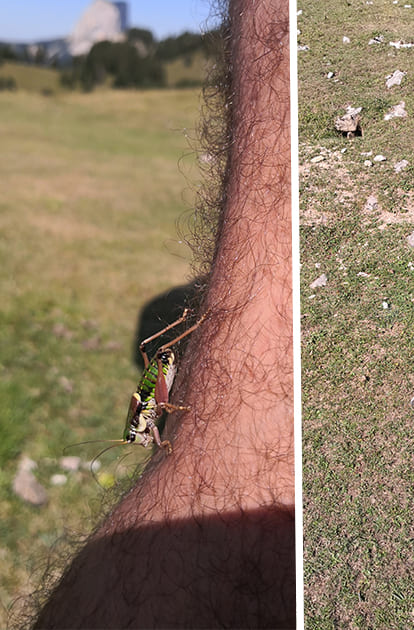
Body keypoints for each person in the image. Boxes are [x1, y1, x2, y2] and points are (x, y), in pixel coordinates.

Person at [33, 0, 293, 626]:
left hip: (169, 390)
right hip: (163, 404)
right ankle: (153, 424)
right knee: (155, 387)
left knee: (159, 370)